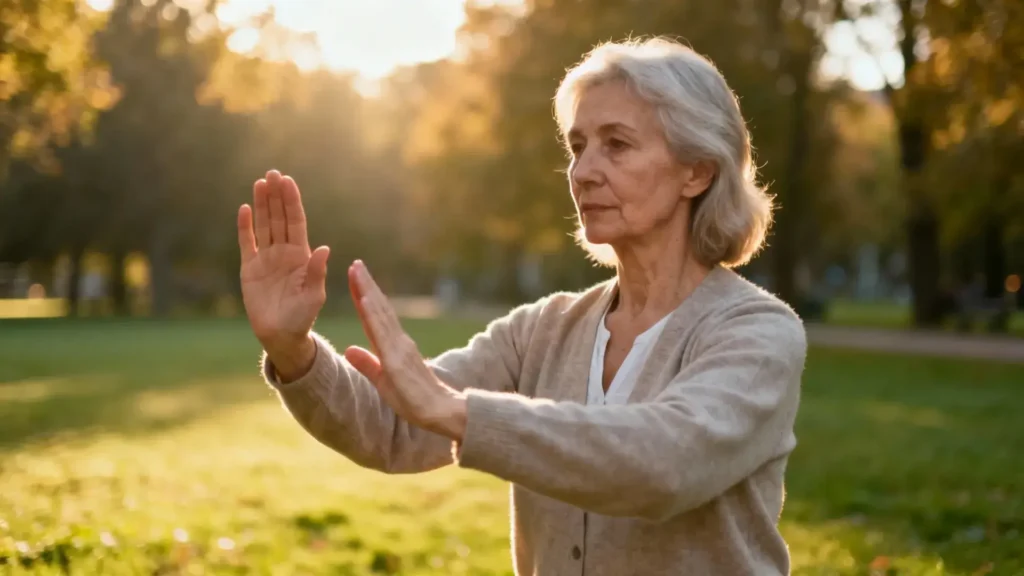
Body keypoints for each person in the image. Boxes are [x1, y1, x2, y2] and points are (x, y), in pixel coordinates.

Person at [238, 37, 807, 576]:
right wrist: (293, 350)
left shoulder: (758, 333)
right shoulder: (541, 329)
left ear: (698, 171)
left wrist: (461, 413)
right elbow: (393, 427)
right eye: (578, 146)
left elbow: (665, 464)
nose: (583, 172)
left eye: (617, 144)